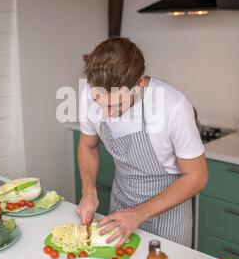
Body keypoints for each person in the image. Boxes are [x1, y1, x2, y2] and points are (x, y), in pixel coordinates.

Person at [76, 37, 208, 247]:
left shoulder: (173, 107)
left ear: (140, 83)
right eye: (99, 103)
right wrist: (89, 190)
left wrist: (139, 213)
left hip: (168, 216)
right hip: (120, 206)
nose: (106, 114)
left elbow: (197, 177)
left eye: (116, 104)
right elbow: (87, 145)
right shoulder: (89, 94)